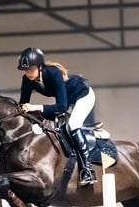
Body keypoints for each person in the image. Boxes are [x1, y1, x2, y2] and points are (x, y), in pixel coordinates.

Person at [17, 47, 97, 187]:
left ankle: (87, 170)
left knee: (73, 125)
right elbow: (23, 105)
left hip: (83, 96)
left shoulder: (54, 73)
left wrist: (35, 107)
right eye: (25, 70)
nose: (27, 72)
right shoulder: (27, 79)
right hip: (66, 101)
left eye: (30, 69)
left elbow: (61, 107)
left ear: (40, 66)